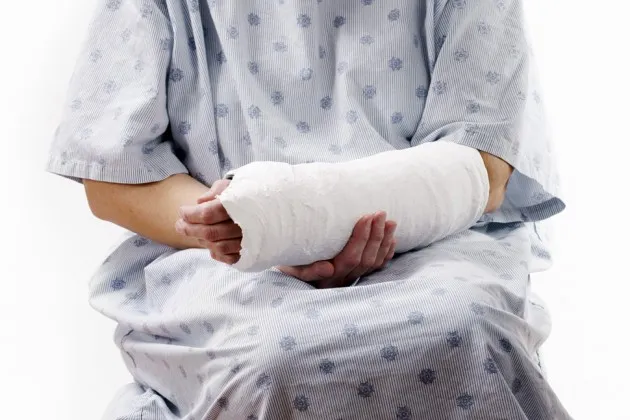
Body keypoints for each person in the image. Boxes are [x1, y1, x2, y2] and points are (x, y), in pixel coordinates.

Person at [46, 0, 571, 418]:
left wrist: (313, 222)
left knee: (462, 327)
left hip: (436, 241)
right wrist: (251, 229)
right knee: (273, 357)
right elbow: (113, 177)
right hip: (220, 255)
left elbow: (483, 170)